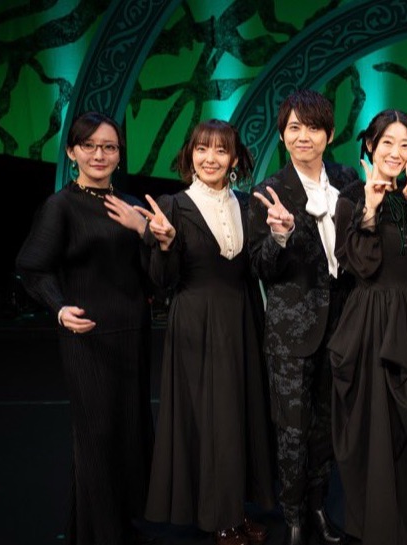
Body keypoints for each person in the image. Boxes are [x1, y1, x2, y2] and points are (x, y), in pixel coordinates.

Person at [16, 111, 154, 545]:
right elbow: (32, 268)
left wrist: (147, 232)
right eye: (89, 145)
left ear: (119, 154)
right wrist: (58, 309)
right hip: (87, 337)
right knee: (97, 437)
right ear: (73, 151)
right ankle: (103, 534)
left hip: (132, 335)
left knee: (129, 435)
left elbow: (154, 272)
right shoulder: (61, 205)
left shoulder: (132, 204)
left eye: (109, 146)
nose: (99, 154)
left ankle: (106, 528)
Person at [140, 119, 274, 545]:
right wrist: (163, 245)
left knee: (239, 415)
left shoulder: (247, 204)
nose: (210, 158)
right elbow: (162, 281)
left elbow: (257, 266)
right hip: (196, 323)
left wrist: (281, 236)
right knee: (212, 419)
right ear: (190, 154)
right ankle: (219, 518)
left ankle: (235, 510)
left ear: (234, 159)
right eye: (201, 149)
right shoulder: (174, 206)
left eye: (220, 150)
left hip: (242, 318)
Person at [247, 89, 360, 545]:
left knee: (326, 428)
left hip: (342, 325)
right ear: (282, 135)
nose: (303, 136)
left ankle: (318, 508)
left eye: (313, 127)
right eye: (294, 127)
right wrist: (279, 238)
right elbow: (259, 266)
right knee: (292, 430)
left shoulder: (347, 179)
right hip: (291, 332)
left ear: (328, 135)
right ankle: (293, 517)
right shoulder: (268, 190)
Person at [327, 109, 407, 545]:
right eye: (388, 143)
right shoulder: (350, 200)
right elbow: (361, 266)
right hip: (373, 324)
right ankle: (376, 524)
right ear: (370, 146)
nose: (396, 152)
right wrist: (371, 210)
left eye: (405, 145)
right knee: (375, 425)